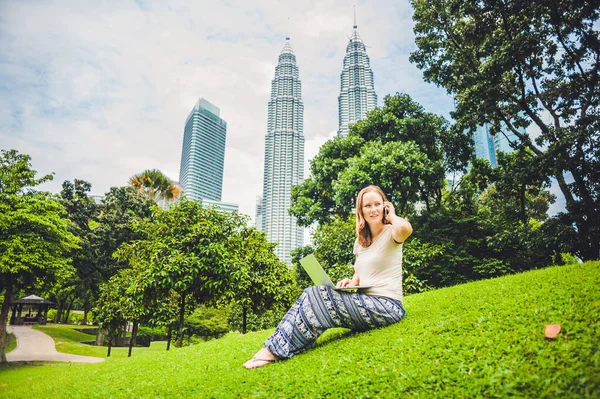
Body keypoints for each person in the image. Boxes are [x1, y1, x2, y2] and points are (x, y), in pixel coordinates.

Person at [243, 185, 413, 369]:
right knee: (310, 293)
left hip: (387, 306)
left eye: (377, 204)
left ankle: (273, 352)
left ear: (385, 206)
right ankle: (276, 346)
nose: (373, 210)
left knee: (319, 297)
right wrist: (351, 282)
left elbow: (406, 228)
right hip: (366, 300)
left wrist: (392, 215)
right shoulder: (361, 241)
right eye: (367, 206)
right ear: (361, 211)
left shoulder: (393, 232)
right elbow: (360, 272)